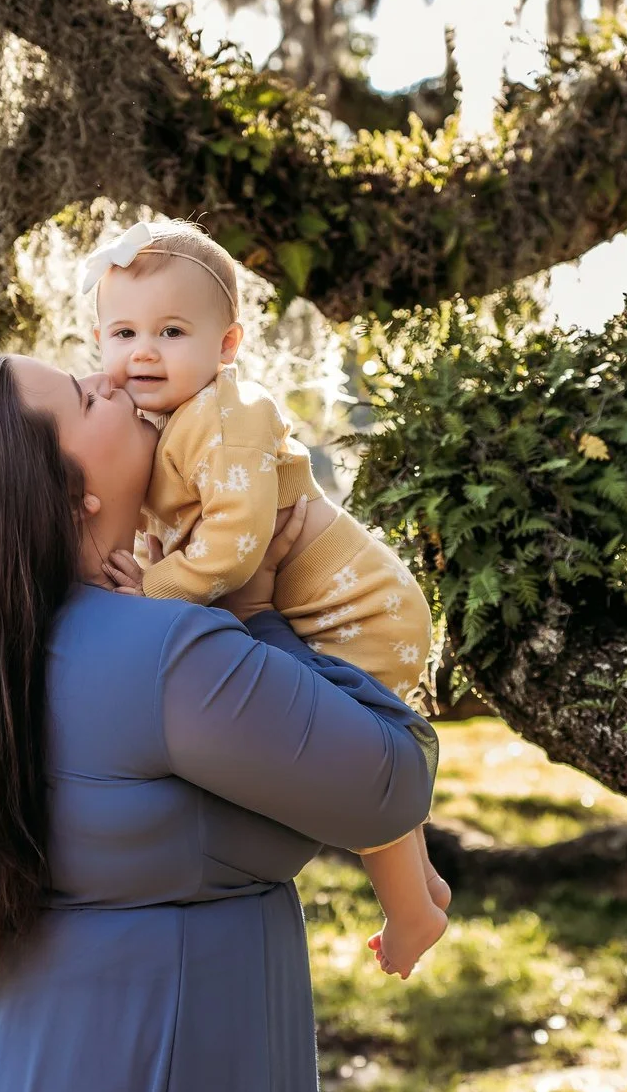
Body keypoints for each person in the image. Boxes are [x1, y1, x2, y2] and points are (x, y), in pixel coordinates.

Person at [0, 352, 437, 1092]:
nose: (116, 379)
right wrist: (259, 612)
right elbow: (392, 776)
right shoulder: (168, 653)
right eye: (86, 396)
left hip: (5, 1074)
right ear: (69, 492)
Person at [73, 215, 451, 977]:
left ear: (227, 346)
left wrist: (156, 587)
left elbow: (239, 543)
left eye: (172, 330)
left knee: (349, 756)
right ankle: (424, 884)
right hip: (311, 608)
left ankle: (412, 909)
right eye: (121, 333)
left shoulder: (229, 415)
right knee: (336, 742)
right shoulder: (167, 421)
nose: (142, 350)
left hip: (357, 607)